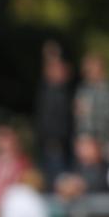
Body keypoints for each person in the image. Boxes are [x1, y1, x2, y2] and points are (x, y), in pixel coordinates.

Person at [35, 50, 73, 189]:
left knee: (57, 184)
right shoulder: (47, 90)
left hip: (58, 146)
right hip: (48, 145)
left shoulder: (64, 93)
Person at [75, 52, 109, 152]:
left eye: (92, 68)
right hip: (84, 141)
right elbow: (80, 115)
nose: (88, 72)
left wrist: (95, 140)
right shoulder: (83, 89)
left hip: (102, 141)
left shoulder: (108, 90)